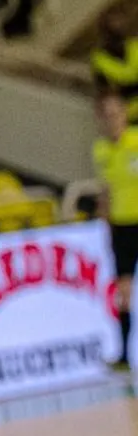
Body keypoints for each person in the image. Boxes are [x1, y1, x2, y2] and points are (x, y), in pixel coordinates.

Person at [95, 88, 138, 372]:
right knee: (123, 291)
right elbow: (106, 190)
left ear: (124, 114)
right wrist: (106, 222)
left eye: (115, 114)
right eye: (106, 115)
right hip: (121, 226)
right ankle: (124, 354)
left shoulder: (135, 142)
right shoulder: (102, 150)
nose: (112, 120)